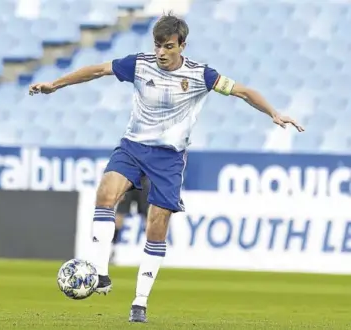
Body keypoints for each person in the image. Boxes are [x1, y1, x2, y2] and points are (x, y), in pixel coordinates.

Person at [29, 13, 304, 323]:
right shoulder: (139, 64)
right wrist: (55, 84)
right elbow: (97, 70)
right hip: (133, 147)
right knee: (106, 193)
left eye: (168, 46)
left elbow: (243, 91)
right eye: (157, 45)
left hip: (169, 157)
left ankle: (140, 301)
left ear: (182, 45)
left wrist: (274, 113)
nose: (161, 52)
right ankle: (100, 272)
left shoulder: (202, 75)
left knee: (156, 226)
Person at [111, 176, 150, 263]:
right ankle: (112, 250)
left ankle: (151, 254)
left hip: (143, 182)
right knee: (118, 219)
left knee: (148, 220)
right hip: (127, 182)